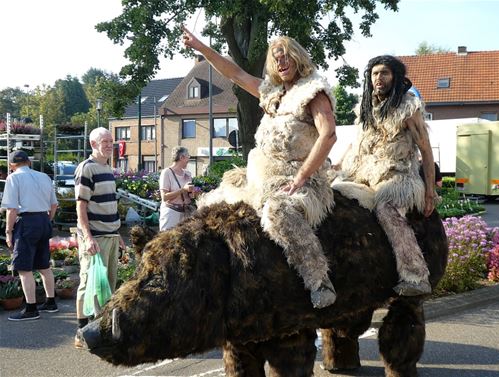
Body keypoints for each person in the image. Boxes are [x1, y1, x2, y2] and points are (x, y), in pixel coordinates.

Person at [183, 28, 338, 308]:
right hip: (261, 177)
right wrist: (202, 48)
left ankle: (319, 280)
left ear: (298, 58)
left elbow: (328, 135)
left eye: (285, 56)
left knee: (277, 211)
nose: (280, 62)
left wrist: (302, 177)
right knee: (211, 205)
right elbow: (235, 74)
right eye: (276, 58)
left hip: (300, 180)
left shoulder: (314, 92)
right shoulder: (271, 91)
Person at [332, 55, 437, 296]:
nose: (379, 78)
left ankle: (416, 275)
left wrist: (430, 190)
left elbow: (425, 148)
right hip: (363, 173)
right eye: (375, 73)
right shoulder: (365, 107)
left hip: (398, 175)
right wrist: (336, 166)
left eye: (385, 73)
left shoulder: (408, 107)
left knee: (385, 207)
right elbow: (357, 142)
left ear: (396, 77)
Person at [74, 127, 126, 347]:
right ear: (93, 144)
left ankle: (101, 329)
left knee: (108, 285)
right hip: (95, 236)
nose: (109, 145)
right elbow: (80, 206)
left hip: (110, 235)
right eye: (104, 141)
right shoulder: (86, 169)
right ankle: (81, 332)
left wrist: (118, 234)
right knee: (89, 284)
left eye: (111, 141)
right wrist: (88, 237)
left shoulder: (107, 168)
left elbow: (110, 205)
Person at [1, 150, 59, 321]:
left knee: (24, 268)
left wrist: (8, 231)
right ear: (29, 162)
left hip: (27, 222)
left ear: (11, 166)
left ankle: (31, 309)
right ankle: (50, 302)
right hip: (43, 220)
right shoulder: (44, 177)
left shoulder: (14, 178)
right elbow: (54, 205)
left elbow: (11, 209)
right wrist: (46, 220)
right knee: (44, 265)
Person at [159, 146, 197, 231]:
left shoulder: (187, 174)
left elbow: (190, 196)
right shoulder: (167, 172)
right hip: (171, 214)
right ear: (181, 157)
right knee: (168, 240)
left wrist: (192, 193)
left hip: (185, 214)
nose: (188, 159)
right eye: (188, 157)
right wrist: (183, 189)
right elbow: (164, 197)